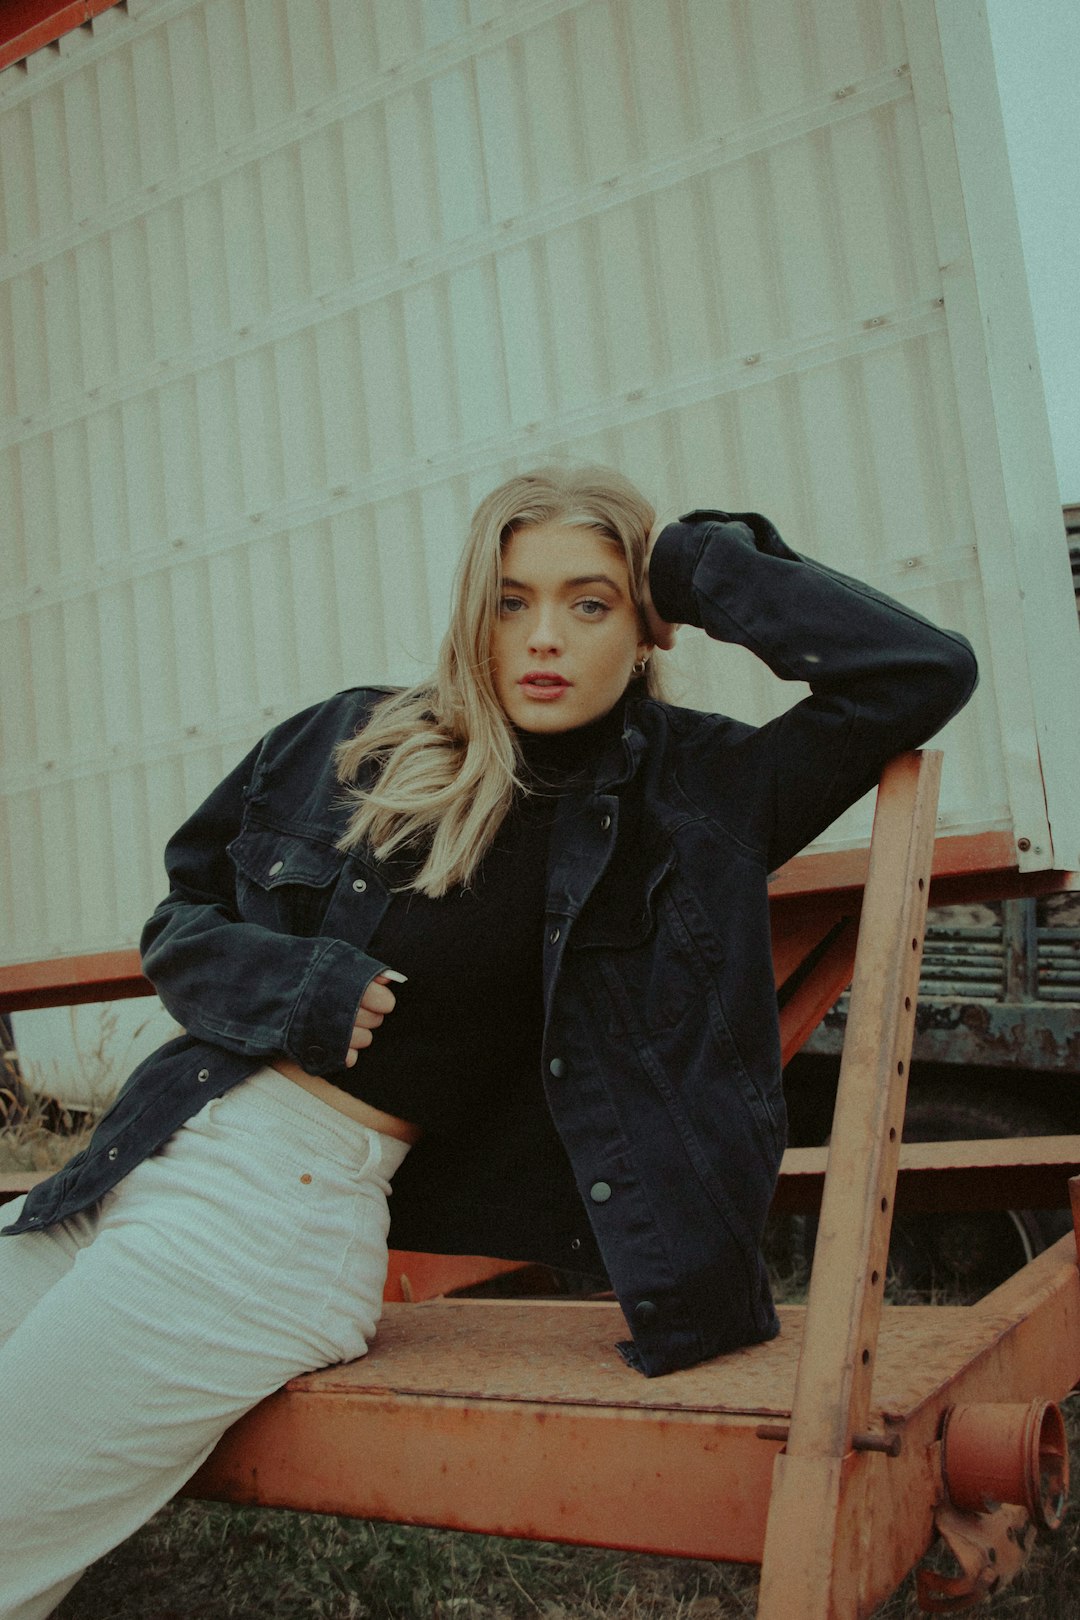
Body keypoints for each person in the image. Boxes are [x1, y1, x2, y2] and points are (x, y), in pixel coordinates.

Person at [0, 466, 977, 1617]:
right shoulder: (349, 740)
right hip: (142, 1148)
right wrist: (296, 981)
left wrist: (690, 566)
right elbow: (180, 918)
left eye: (591, 602)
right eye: (511, 601)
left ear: (645, 628)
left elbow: (919, 672)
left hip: (271, 1217)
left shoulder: (698, 791)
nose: (543, 639)